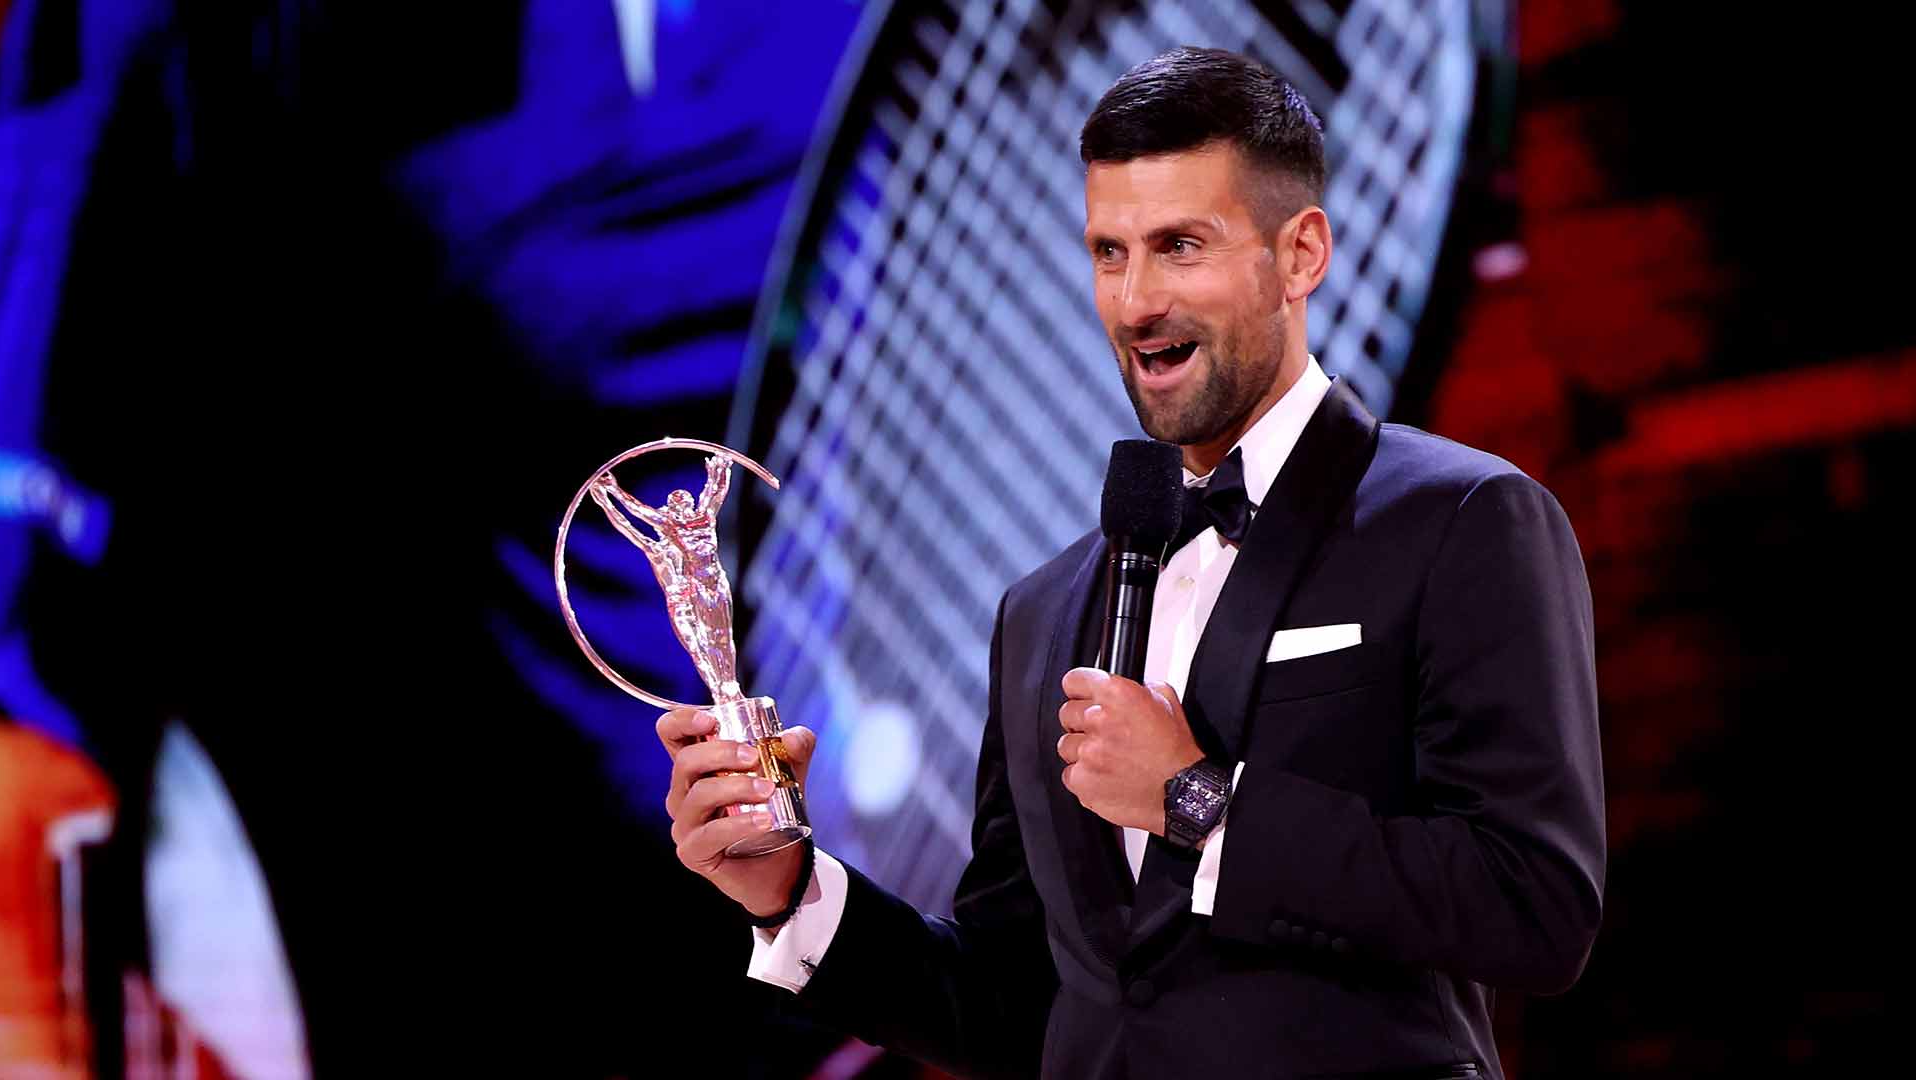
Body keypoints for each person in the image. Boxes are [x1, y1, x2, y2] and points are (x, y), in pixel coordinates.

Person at [658, 47, 1604, 1080]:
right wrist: (792, 888)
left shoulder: (1462, 519)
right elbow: (1009, 1003)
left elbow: (1535, 906)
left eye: (1180, 246)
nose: (1136, 300)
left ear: (1301, 255)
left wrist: (1199, 801)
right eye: (1109, 253)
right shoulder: (1041, 612)